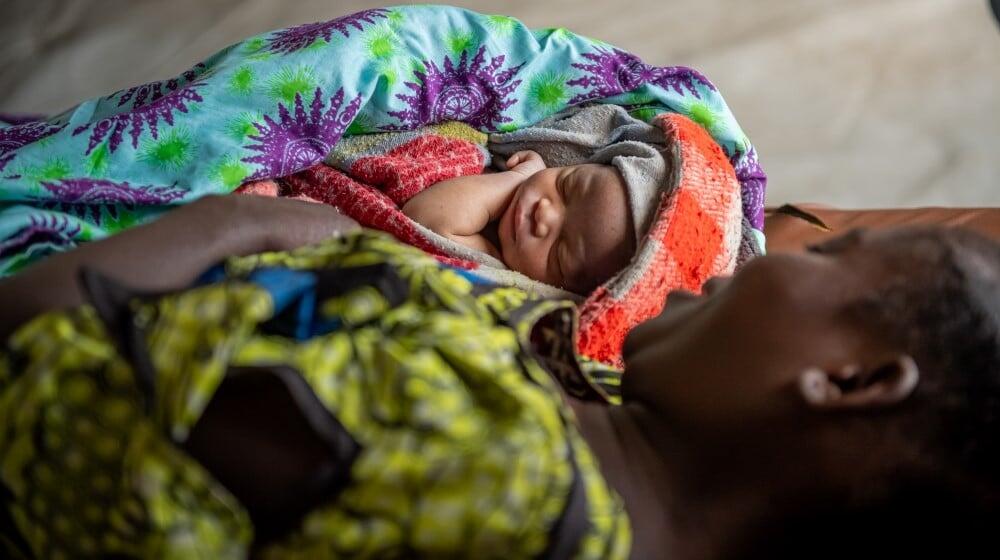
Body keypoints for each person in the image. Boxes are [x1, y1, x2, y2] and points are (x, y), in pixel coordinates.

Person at [1, 195, 998, 558]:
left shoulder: (480, 473)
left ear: (852, 378)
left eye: (826, 258)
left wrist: (241, 223)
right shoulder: (602, 433)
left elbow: (35, 355)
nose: (757, 256)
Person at [401, 149, 635, 294]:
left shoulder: (494, 265)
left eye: (560, 254)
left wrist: (517, 178)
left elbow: (423, 219)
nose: (543, 214)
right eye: (566, 187)